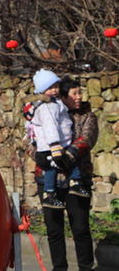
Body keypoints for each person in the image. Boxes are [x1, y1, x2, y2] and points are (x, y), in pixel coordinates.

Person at [35, 76, 97, 271]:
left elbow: (87, 138)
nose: (79, 97)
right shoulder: (44, 111)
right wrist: (39, 155)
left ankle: (85, 267)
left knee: (80, 228)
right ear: (63, 96)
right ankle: (59, 267)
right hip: (48, 178)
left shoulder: (87, 116)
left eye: (80, 92)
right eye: (74, 93)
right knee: (54, 230)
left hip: (76, 179)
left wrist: (67, 155)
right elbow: (31, 136)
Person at [24, 69, 74, 209]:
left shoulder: (54, 103)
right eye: (50, 88)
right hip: (51, 145)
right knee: (52, 168)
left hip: (55, 143)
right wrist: (54, 144)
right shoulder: (47, 107)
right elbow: (50, 126)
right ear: (41, 90)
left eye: (56, 86)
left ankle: (56, 191)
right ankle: (49, 194)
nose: (54, 90)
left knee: (55, 167)